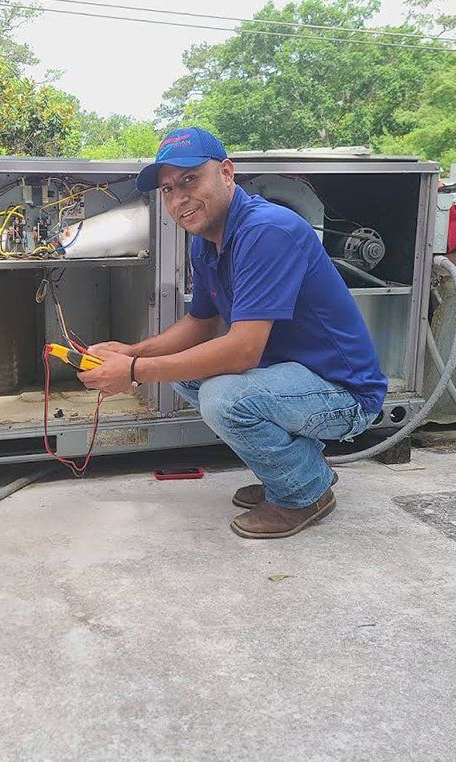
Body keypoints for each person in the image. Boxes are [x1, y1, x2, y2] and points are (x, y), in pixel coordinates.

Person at [79, 127, 387, 539]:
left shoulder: (267, 231)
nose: (179, 198)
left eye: (190, 179)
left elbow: (243, 351)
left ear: (227, 173)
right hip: (293, 378)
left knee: (224, 397)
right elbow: (201, 323)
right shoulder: (206, 241)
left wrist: (133, 371)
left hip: (344, 393)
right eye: (168, 189)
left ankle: (303, 492)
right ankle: (296, 469)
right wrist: (134, 352)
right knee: (186, 375)